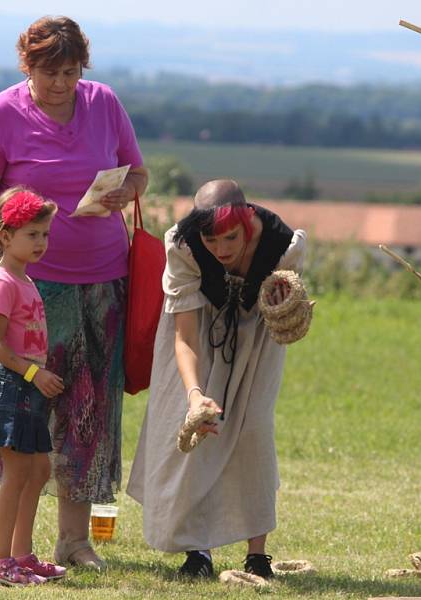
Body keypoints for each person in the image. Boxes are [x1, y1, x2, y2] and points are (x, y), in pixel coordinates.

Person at [0, 15, 148, 571]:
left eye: (70, 72)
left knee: (87, 409)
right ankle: (12, 545)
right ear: (28, 66)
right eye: (50, 73)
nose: (62, 84)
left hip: (100, 281)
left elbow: (138, 174)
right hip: (24, 287)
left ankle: (73, 541)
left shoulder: (105, 103)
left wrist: (124, 191)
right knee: (22, 413)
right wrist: (4, 227)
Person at [127, 180, 307, 579]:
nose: (222, 249)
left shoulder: (281, 244)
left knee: (253, 431)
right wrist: (194, 395)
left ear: (247, 223)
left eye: (231, 237)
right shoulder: (185, 247)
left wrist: (284, 305)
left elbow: (287, 297)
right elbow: (184, 336)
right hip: (200, 332)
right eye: (212, 239)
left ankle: (257, 555)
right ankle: (198, 550)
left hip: (256, 337)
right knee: (199, 432)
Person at [0, 187, 65, 586]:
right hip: (9, 385)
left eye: (45, 235)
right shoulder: (4, 281)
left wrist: (35, 377)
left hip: (25, 386)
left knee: (37, 469)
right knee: (18, 473)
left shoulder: (22, 279)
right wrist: (33, 373)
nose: (41, 243)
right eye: (32, 235)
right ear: (5, 236)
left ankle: (22, 555)